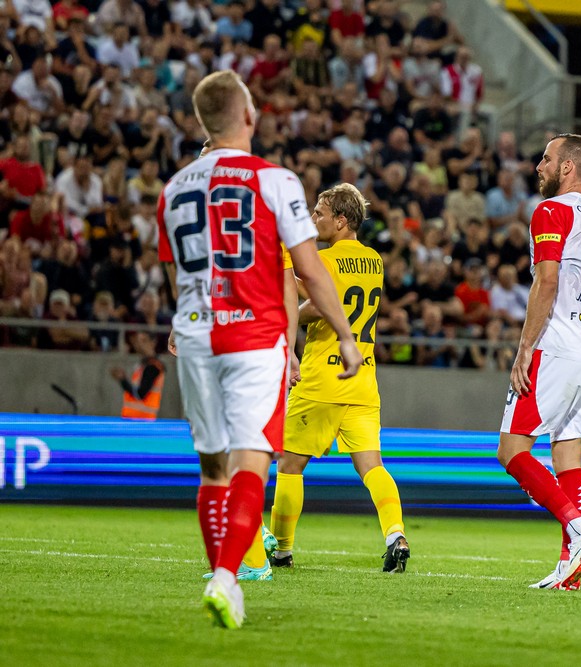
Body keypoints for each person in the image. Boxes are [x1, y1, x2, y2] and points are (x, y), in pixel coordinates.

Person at [158, 70, 362, 630]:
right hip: (254, 334)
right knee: (252, 457)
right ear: (247, 115)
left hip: (197, 332)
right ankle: (229, 577)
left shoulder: (173, 189)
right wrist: (344, 335)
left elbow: (176, 268)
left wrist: (178, 320)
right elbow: (309, 269)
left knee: (211, 466)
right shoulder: (275, 181)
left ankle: (225, 576)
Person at [497, 133, 581, 591]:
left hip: (559, 343)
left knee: (512, 450)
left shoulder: (550, 211)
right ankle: (570, 569)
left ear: (568, 167)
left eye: (546, 159)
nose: (539, 166)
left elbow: (546, 282)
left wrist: (525, 348)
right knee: (567, 454)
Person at [270, 184, 410, 574]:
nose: (313, 219)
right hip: (362, 378)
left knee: (290, 465)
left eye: (320, 213)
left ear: (341, 220)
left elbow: (319, 305)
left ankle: (281, 550)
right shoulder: (374, 260)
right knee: (372, 466)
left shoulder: (324, 259)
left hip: (323, 376)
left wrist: (290, 301)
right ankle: (395, 534)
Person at [110, 331, 165, 419]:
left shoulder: (153, 366)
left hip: (142, 419)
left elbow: (140, 394)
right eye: (137, 341)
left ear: (153, 342)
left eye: (143, 340)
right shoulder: (143, 365)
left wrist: (123, 380)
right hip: (134, 418)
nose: (139, 344)